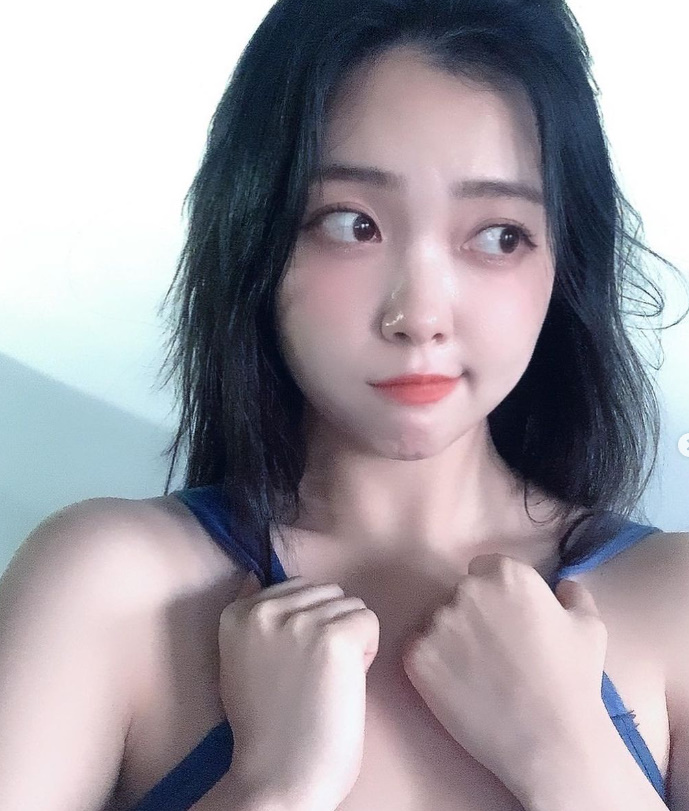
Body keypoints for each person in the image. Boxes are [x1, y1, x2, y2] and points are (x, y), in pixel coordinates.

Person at [1, 0, 688, 809]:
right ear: (257, 237)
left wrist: (569, 757)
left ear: (563, 262)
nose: (420, 315)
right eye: (352, 224)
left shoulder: (671, 605)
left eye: (498, 235)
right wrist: (274, 784)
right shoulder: (109, 590)